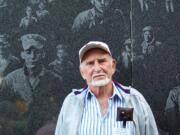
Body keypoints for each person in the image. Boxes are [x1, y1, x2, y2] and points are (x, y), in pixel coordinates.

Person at [55, 41, 159, 135]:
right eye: (90, 63)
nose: (97, 68)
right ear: (82, 72)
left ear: (113, 66)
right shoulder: (71, 102)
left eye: (102, 61)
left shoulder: (134, 99)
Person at [0, 34, 63, 135]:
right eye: (28, 52)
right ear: (22, 55)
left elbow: (62, 112)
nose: (33, 56)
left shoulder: (54, 80)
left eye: (37, 52)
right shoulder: (10, 80)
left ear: (43, 54)